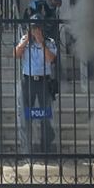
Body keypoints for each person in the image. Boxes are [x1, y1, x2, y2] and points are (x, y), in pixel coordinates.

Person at [15, 9, 59, 156]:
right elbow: (16, 54)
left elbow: (51, 59)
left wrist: (42, 43)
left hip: (44, 81)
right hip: (27, 80)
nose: (35, 30)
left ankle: (46, 150)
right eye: (33, 27)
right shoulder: (24, 39)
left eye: (37, 27)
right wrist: (26, 40)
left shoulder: (49, 42)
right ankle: (25, 152)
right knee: (25, 117)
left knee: (45, 116)